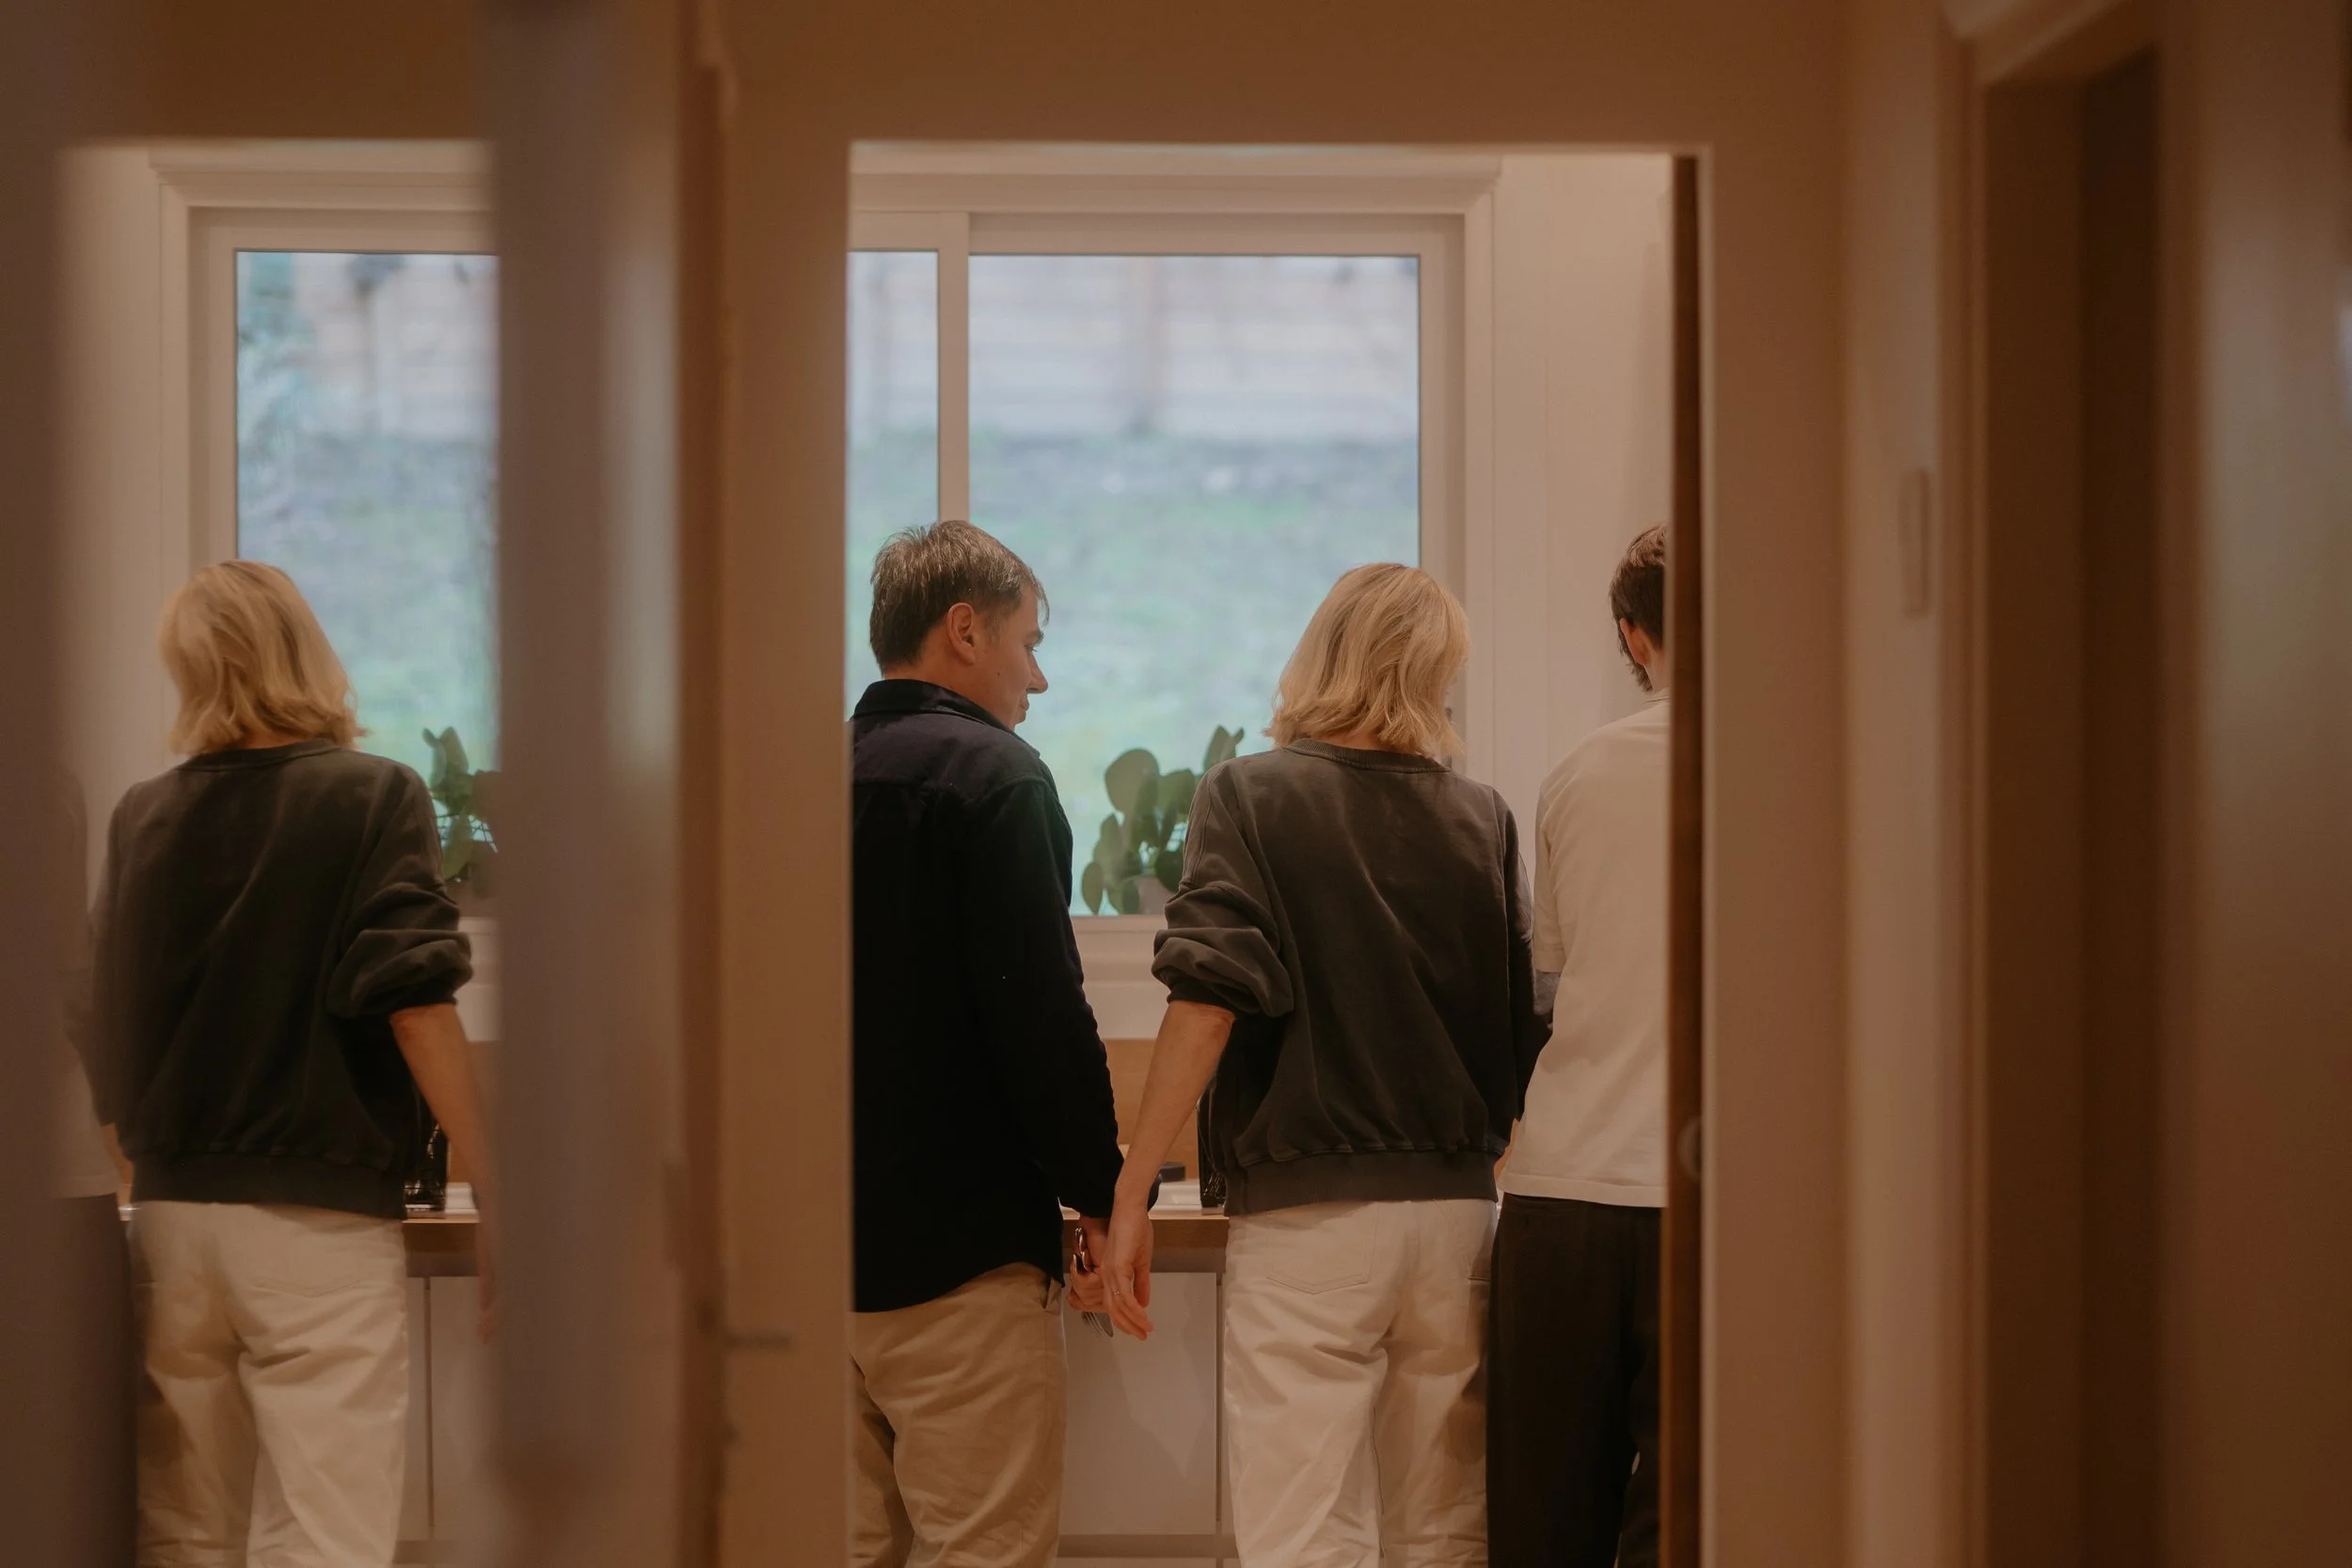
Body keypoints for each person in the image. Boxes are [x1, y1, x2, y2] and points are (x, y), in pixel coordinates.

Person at [1104, 562, 1547, 1568]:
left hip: (1309, 1220)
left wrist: (1134, 1185)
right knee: (1442, 1528)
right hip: (1455, 1218)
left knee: (1303, 1532)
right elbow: (1524, 1032)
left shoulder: (1251, 796)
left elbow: (1208, 1001)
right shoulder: (1481, 816)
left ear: (1323, 651)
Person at [87, 561, 493, 1568]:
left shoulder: (145, 812)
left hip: (173, 1218)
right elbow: (416, 1005)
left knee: (186, 1530)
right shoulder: (371, 796)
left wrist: (135, 1166)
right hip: (315, 1222)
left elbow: (102, 1017)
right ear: (304, 651)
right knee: (324, 1533)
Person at [848, 519, 1123, 1568]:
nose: (1038, 677)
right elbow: (1038, 1015)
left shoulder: (786, 778)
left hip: (797, 1261)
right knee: (983, 1551)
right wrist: (1097, 1191)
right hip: (957, 1260)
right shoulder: (994, 776)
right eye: (1028, 640)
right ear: (963, 630)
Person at [1486, 525, 1672, 1568]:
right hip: (1712, 1204)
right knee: (1691, 1518)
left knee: (1543, 1515)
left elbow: (1549, 980)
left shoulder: (1578, 773)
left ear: (1630, 635)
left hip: (1563, 1189)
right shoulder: (1808, 768)